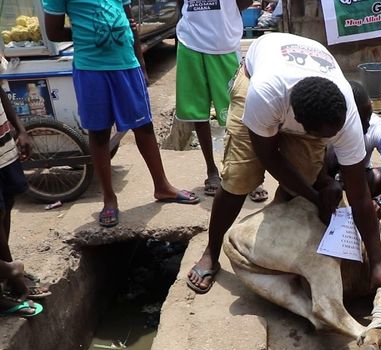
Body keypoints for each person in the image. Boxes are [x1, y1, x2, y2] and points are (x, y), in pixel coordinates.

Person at [186, 33, 381, 296]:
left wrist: (378, 264)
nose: (330, 141)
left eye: (332, 135)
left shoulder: (343, 116)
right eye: (323, 136)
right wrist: (313, 197)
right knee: (239, 177)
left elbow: (359, 195)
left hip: (305, 77)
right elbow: (269, 158)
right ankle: (211, 251)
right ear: (299, 123)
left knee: (306, 172)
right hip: (256, 78)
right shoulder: (265, 95)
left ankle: (283, 243)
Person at [44, 0, 200, 228]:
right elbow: (54, 32)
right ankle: (109, 198)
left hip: (127, 65)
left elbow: (130, 24)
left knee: (144, 126)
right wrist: (92, 31)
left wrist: (142, 63)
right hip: (91, 69)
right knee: (99, 132)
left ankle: (162, 186)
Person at [175, 0, 269, 202]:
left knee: (238, 112)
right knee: (197, 112)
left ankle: (248, 175)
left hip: (223, 43)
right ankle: (211, 170)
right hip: (190, 41)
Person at [0, 88, 47, 317]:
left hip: (3, 147)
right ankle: (10, 275)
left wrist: (20, 129)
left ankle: (8, 274)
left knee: (6, 206)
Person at [325, 80, 381, 197]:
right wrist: (327, 181)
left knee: (379, 178)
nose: (367, 124)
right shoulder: (327, 126)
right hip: (326, 175)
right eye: (361, 120)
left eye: (369, 116)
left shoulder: (376, 126)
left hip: (358, 175)